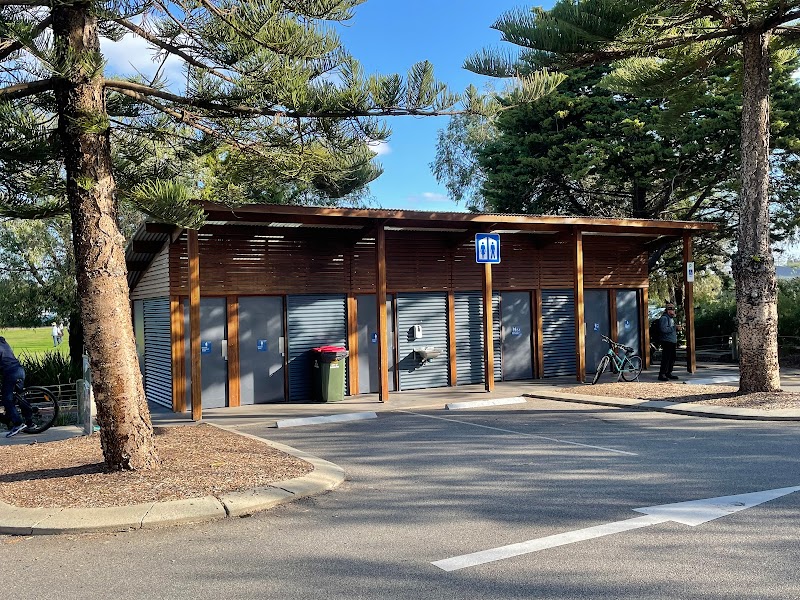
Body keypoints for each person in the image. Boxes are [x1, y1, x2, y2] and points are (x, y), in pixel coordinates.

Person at [0, 336, 32, 437]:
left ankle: (18, 423)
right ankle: (30, 423)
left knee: (7, 399)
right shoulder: (2, 342)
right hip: (19, 370)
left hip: (10, 373)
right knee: (20, 396)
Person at [658, 302, 682, 381]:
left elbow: (671, 329)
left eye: (674, 309)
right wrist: (674, 328)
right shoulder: (664, 318)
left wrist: (676, 329)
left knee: (672, 358)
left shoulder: (671, 319)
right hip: (667, 341)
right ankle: (662, 374)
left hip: (672, 341)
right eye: (672, 309)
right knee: (666, 358)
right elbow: (663, 329)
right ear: (668, 310)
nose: (674, 311)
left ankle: (669, 372)